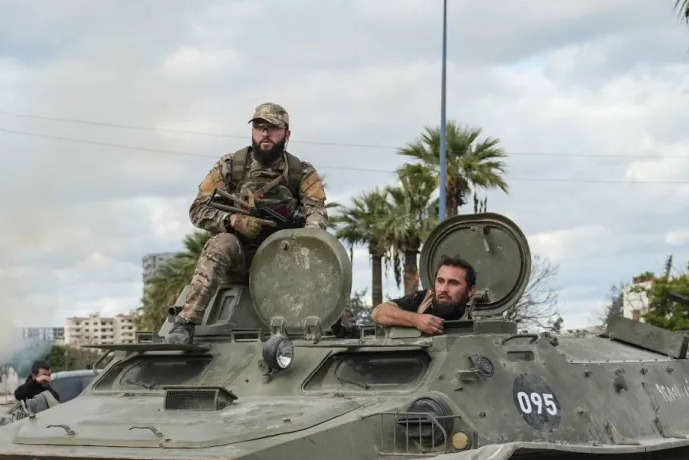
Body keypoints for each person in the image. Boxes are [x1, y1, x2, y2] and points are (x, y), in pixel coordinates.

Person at [159, 102, 328, 343]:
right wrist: (232, 220)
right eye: (259, 127)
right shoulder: (231, 166)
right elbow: (197, 209)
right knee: (220, 244)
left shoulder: (301, 172)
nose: (265, 134)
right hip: (239, 257)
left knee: (324, 258)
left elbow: (317, 213)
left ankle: (343, 326)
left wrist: (304, 235)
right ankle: (186, 323)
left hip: (284, 257)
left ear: (287, 134)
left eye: (273, 128)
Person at [370, 257, 476, 335]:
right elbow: (378, 313)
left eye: (453, 283)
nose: (444, 289)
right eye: (440, 281)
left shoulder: (478, 312)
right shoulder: (423, 299)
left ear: (471, 290)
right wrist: (416, 320)